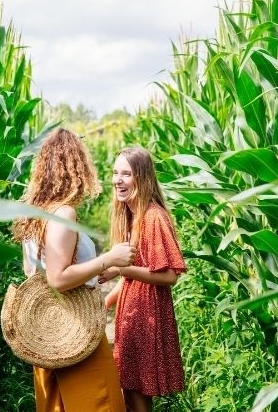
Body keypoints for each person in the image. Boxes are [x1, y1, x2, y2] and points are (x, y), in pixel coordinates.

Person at [12, 128, 136, 411]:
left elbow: (32, 272)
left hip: (45, 332)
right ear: (76, 168)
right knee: (102, 403)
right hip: (76, 329)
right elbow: (57, 278)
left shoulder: (34, 213)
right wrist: (109, 259)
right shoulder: (63, 213)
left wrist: (90, 269)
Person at [98, 146, 186, 412]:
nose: (118, 180)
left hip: (147, 317)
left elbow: (169, 276)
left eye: (126, 174)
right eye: (115, 173)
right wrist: (104, 304)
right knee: (129, 392)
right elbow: (134, 275)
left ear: (143, 177)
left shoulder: (153, 216)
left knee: (136, 397)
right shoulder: (133, 216)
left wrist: (121, 269)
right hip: (132, 314)